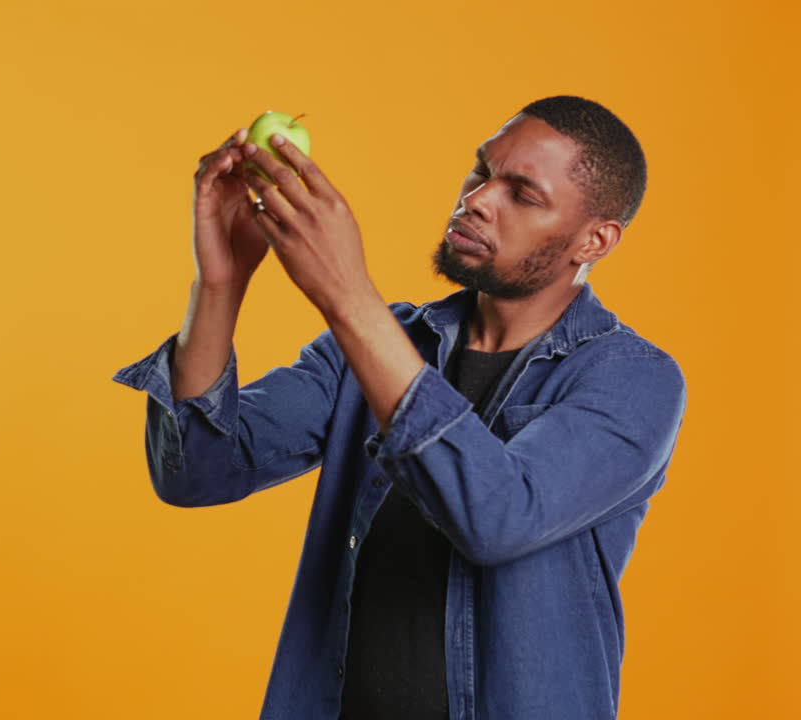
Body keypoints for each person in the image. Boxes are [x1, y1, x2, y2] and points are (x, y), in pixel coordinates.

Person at [110, 96, 687, 720]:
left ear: (594, 240)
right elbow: (196, 471)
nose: (478, 199)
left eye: (522, 194)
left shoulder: (633, 379)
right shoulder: (382, 342)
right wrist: (221, 285)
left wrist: (348, 295)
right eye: (480, 171)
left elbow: (497, 518)